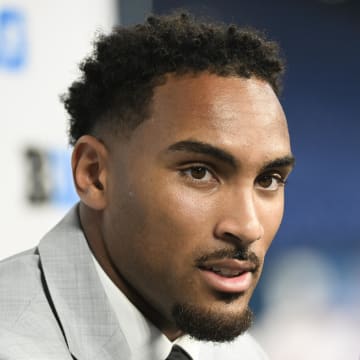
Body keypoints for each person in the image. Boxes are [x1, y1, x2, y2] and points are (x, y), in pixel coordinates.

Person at [0, 12, 295, 360]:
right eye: (199, 172)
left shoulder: (240, 353)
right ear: (94, 174)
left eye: (268, 180)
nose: (248, 227)